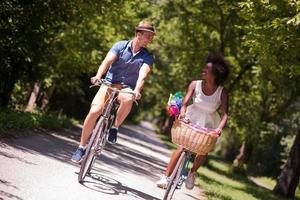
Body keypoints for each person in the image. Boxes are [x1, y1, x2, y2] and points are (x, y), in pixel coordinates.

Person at [71, 20, 156, 163]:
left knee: (128, 99)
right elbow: (107, 61)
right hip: (109, 83)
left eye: (152, 37)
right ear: (138, 34)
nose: (150, 40)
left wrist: (137, 90)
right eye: (148, 36)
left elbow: (143, 75)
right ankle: (81, 147)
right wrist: (98, 76)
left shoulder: (147, 56)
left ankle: (114, 128)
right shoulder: (120, 46)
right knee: (94, 112)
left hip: (126, 88)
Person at [156, 53, 230, 189]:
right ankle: (166, 178)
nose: (203, 71)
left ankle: (192, 173)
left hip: (209, 122)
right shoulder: (195, 84)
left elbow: (225, 115)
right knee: (182, 146)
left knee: (203, 150)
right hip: (191, 116)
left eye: (206, 70)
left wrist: (219, 128)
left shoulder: (222, 92)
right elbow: (184, 103)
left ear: (215, 74)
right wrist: (183, 115)